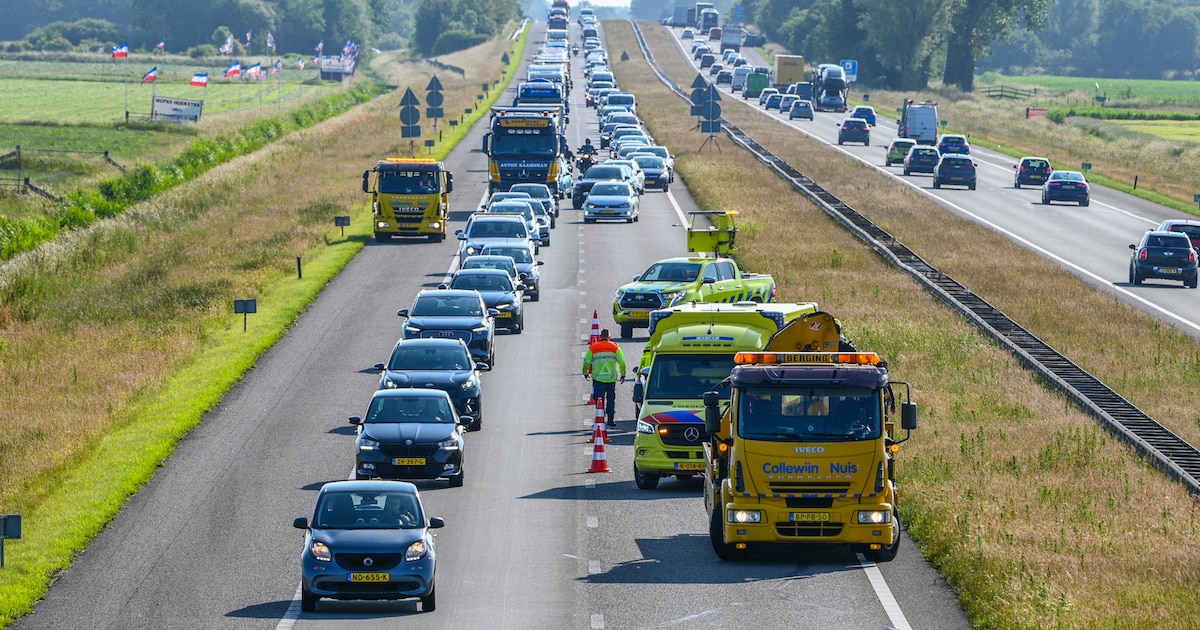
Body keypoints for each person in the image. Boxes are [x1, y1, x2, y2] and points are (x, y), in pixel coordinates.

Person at [582, 328, 626, 427]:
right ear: (609, 337)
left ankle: (600, 417)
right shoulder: (615, 347)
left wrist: (585, 372)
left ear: (600, 337)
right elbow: (622, 362)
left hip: (598, 379)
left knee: (599, 399)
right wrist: (623, 374)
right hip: (611, 379)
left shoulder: (594, 347)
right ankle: (610, 419)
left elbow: (586, 361)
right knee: (611, 398)